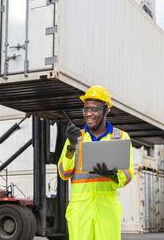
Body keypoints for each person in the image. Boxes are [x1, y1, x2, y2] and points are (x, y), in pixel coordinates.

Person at [57, 85, 134, 240]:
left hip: (107, 210)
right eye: (86, 109)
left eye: (95, 110)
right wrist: (71, 146)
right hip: (80, 211)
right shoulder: (75, 138)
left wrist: (113, 175)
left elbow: (129, 173)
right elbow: (64, 173)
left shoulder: (119, 137)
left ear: (106, 111)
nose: (89, 114)